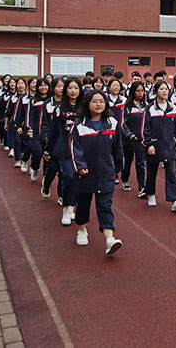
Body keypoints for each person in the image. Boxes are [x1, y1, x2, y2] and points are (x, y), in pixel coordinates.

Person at [70, 90, 124, 256]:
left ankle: (109, 239)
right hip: (85, 174)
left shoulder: (112, 123)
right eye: (95, 101)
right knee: (83, 205)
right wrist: (80, 166)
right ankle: (81, 229)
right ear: (87, 103)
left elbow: (118, 147)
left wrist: (118, 167)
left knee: (105, 206)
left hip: (106, 173)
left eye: (102, 101)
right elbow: (74, 148)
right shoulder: (79, 125)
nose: (99, 104)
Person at [142, 81, 176, 211]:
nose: (164, 91)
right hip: (154, 146)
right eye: (161, 89)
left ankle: (174, 200)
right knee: (151, 172)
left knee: (171, 173)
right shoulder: (150, 109)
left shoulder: (173, 108)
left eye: (166, 89)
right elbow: (145, 128)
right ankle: (151, 194)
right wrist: (148, 144)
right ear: (156, 91)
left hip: (169, 146)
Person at [44, 78, 82, 226]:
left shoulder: (85, 108)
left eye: (76, 88)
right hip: (65, 149)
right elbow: (53, 131)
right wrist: (48, 149)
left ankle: (75, 205)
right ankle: (67, 207)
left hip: (82, 149)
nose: (73, 91)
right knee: (68, 176)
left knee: (80, 179)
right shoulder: (60, 108)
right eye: (70, 88)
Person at [40, 78, 65, 200]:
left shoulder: (70, 104)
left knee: (63, 172)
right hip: (52, 142)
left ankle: (61, 195)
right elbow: (44, 124)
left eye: (63, 86)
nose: (61, 88)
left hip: (65, 142)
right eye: (59, 86)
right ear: (53, 88)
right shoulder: (48, 105)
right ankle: (46, 184)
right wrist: (45, 140)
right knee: (53, 168)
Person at [122, 81, 148, 195]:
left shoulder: (146, 106)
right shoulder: (127, 107)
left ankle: (142, 188)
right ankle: (125, 178)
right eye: (138, 91)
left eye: (142, 91)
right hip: (129, 140)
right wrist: (129, 134)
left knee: (140, 164)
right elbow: (122, 124)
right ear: (133, 92)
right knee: (127, 162)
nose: (140, 93)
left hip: (141, 141)